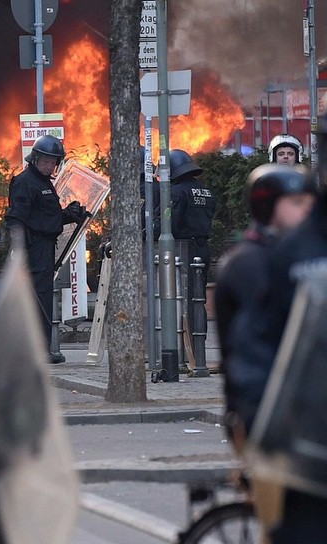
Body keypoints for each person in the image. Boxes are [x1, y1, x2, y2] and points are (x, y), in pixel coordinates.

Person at [228, 121, 327, 543]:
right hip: (291, 428)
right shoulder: (267, 259)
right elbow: (255, 344)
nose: (303, 210)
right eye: (294, 202)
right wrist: (261, 421)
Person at [214, 163, 315, 443]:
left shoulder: (299, 255)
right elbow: (254, 350)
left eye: (309, 202)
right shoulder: (248, 263)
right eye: (296, 202)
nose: (306, 210)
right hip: (266, 410)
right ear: (266, 205)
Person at [4, 134, 85, 364]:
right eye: (46, 161)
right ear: (35, 159)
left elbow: (47, 217)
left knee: (43, 299)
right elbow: (16, 218)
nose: (49, 165)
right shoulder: (24, 182)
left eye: (53, 162)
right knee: (37, 299)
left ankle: (41, 349)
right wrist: (20, 249)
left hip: (45, 247)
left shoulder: (44, 182)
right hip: (33, 249)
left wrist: (69, 215)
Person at [154, 149, 217, 335]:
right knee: (198, 298)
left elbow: (167, 224)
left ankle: (183, 343)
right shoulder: (205, 190)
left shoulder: (175, 192)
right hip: (202, 249)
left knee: (180, 298)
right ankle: (198, 342)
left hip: (182, 251)